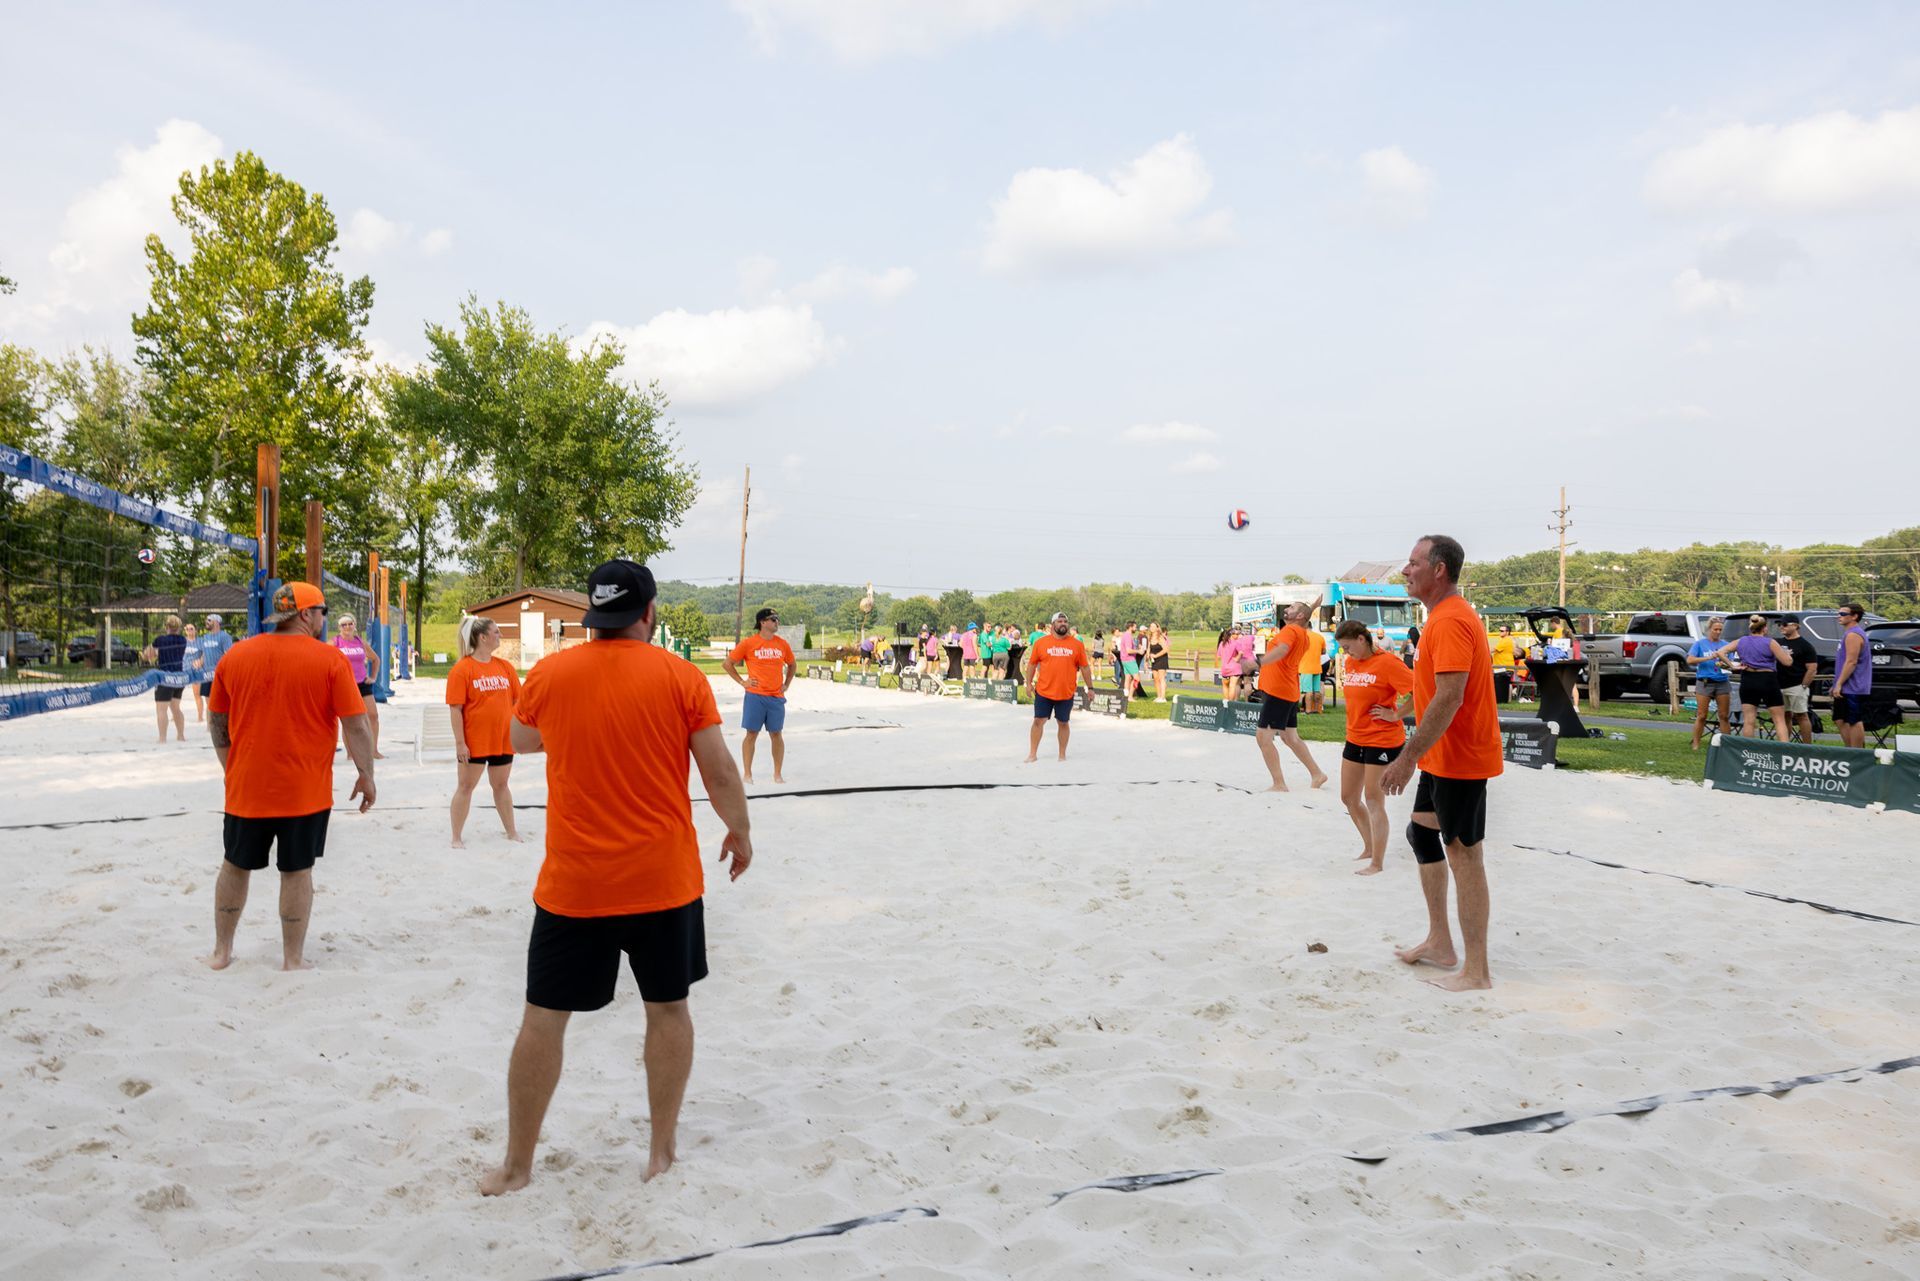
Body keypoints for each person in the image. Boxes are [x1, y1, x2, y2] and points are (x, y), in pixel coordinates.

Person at [482, 559, 751, 1196]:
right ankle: (661, 1152)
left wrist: (576, 722)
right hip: (664, 880)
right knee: (668, 1009)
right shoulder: (682, 676)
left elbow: (520, 739)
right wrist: (740, 830)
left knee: (543, 1019)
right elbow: (717, 771)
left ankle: (517, 1167)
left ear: (593, 618)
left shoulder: (551, 673)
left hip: (575, 885)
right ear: (649, 613)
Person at [205, 582, 375, 972]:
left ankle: (221, 951)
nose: (324, 619)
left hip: (247, 787)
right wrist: (366, 775)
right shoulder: (328, 660)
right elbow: (357, 726)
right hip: (305, 791)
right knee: (296, 871)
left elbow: (217, 722)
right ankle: (292, 959)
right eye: (323, 611)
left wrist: (230, 767)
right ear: (305, 615)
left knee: (235, 865)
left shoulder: (236, 655)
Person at [1381, 535, 1503, 993]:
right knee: (1421, 834)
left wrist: (1407, 756)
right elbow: (1438, 695)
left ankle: (1477, 972)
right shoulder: (1439, 618)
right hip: (1441, 754)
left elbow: (1451, 697)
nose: (1405, 571)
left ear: (1439, 570)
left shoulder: (1451, 619)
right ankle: (1440, 942)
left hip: (1461, 757)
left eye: (1413, 563)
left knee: (1465, 856)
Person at [1335, 620, 1415, 876]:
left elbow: (1419, 692)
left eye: (1349, 647)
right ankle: (1369, 847)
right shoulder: (1350, 663)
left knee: (1373, 799)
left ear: (1362, 638)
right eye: (1343, 649)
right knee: (1348, 797)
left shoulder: (1388, 663)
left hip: (1382, 739)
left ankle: (1377, 862)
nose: (1347, 653)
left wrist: (1396, 715)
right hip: (1355, 736)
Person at [448, 616, 524, 847]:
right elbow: (455, 710)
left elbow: (519, 702)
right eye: (496, 632)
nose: (500, 635)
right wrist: (460, 743)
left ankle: (511, 832)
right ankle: (456, 837)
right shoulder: (463, 669)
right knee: (465, 786)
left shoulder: (505, 667)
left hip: (502, 739)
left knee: (501, 785)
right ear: (482, 637)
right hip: (475, 740)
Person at [1252, 601, 1328, 792]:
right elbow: (1304, 613)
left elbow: (1283, 649)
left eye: (1292, 608)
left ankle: (1279, 783)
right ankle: (1317, 774)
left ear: (1300, 616)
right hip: (1288, 689)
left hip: (1278, 691)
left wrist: (1258, 663)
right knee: (1290, 738)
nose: (1287, 609)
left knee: (1263, 738)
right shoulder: (1303, 634)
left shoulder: (1290, 631)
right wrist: (1312, 606)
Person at [723, 607, 795, 784]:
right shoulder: (749, 643)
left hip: (776, 697)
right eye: (773, 619)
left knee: (776, 734)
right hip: (755, 696)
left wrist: (787, 684)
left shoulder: (782, 644)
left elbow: (792, 665)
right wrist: (742, 682)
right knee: (751, 734)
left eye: (777, 619)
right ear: (763, 622)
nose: (777, 621)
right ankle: (747, 774)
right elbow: (727, 664)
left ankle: (777, 774)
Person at [1024, 611, 1094, 762]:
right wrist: (1028, 684)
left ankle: (1062, 755)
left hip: (1066, 692)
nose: (1063, 624)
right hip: (1044, 690)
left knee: (1063, 723)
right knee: (1038, 721)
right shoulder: (1041, 643)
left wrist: (1091, 688)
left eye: (1065, 622)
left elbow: (1085, 668)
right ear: (1052, 625)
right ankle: (1032, 754)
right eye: (1059, 621)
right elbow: (1031, 664)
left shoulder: (1077, 644)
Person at [1715, 615, 1791, 743]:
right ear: (1765, 629)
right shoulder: (1770, 642)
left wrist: (1732, 665)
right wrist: (1788, 655)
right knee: (1779, 719)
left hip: (1748, 679)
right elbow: (1787, 662)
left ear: (1751, 628)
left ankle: (1748, 750)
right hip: (1767, 679)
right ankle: (1784, 750)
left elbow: (1720, 652)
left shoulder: (1741, 641)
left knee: (1749, 720)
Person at [332, 613, 385, 760]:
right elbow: (324, 661)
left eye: (350, 623)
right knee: (349, 719)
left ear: (354, 625)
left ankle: (373, 750)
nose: (347, 627)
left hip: (362, 682)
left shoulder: (360, 642)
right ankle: (351, 753)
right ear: (339, 628)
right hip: (345, 684)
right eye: (344, 625)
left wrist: (373, 677)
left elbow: (375, 659)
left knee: (372, 716)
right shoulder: (335, 642)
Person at [1684, 616, 1734, 750]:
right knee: (1702, 715)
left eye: (1720, 630)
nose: (1718, 632)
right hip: (1704, 682)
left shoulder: (1725, 645)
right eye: (1715, 629)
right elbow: (1690, 660)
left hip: (1722, 682)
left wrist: (1724, 664)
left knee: (1723, 715)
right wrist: (1708, 657)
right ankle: (1696, 743)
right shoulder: (1700, 644)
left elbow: (1730, 663)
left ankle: (1727, 746)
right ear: (1709, 630)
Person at [1830, 603, 1872, 748]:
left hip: (1854, 686)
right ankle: (1851, 750)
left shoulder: (1854, 634)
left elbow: (1851, 662)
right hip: (1845, 686)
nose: (1838, 616)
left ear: (1854, 616)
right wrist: (1836, 684)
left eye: (1842, 614)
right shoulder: (1848, 634)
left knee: (1854, 719)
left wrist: (1840, 683)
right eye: (1838, 613)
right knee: (1839, 718)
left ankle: (1858, 753)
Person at [143, 614, 189, 743]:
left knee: (161, 709)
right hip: (179, 678)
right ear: (178, 627)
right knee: (176, 708)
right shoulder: (182, 640)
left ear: (166, 626)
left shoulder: (160, 640)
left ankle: (162, 738)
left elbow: (147, 654)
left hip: (165, 677)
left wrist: (149, 655)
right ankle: (181, 736)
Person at [1776, 617, 1819, 744]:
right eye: (1780, 624)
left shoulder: (1805, 645)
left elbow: (1812, 668)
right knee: (1785, 716)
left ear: (1795, 626)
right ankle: (1785, 744)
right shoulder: (1777, 643)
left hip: (1796, 685)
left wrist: (1803, 685)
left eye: (1784, 624)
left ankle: (1807, 746)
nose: (1781, 627)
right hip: (1779, 685)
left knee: (1802, 716)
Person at [197, 613, 236, 716]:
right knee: (208, 701)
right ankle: (210, 726)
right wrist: (198, 664)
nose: (206, 622)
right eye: (206, 620)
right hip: (206, 674)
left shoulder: (224, 636)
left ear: (217, 622)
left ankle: (224, 723)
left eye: (209, 620)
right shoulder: (205, 637)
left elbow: (229, 655)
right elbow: (204, 654)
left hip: (219, 674)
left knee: (221, 701)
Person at [181, 622, 207, 722]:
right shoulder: (183, 641)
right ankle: (175, 715)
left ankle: (200, 716)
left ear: (195, 630)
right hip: (184, 669)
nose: (189, 631)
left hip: (196, 670)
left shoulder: (200, 641)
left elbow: (205, 653)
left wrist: (201, 661)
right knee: (176, 693)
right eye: (187, 629)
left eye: (191, 629)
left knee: (197, 694)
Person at [1298, 624, 1326, 714]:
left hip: (1305, 667)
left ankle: (1308, 711)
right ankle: (1317, 709)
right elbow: (1324, 651)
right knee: (1316, 690)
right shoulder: (1320, 637)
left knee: (1308, 691)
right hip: (1317, 667)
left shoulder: (1301, 637)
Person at [1146, 623, 1171, 702]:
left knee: (1161, 678)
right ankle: (1158, 696)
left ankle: (1163, 698)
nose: (1151, 628)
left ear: (1157, 628)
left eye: (1153, 626)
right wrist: (1146, 659)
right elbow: (1148, 649)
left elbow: (1166, 649)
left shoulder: (1160, 637)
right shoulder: (1149, 638)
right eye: (1150, 626)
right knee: (1156, 679)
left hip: (1161, 659)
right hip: (1154, 660)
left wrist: (1156, 655)